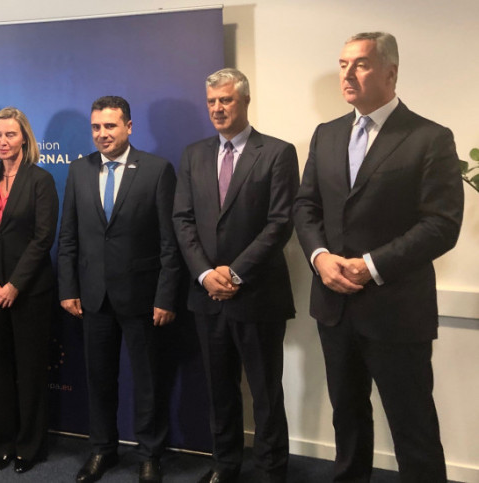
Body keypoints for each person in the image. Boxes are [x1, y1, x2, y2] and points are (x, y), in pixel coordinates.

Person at [293, 32, 462, 483]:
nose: (347, 73)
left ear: (391, 72)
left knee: (413, 428)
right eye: (343, 64)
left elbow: (441, 225)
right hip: (334, 307)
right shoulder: (327, 134)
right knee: (347, 421)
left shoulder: (429, 137)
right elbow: (306, 206)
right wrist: (320, 257)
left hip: (396, 310)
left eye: (361, 64)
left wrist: (370, 266)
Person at [173, 68, 298, 483]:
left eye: (225, 100)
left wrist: (236, 272)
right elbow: (182, 219)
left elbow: (280, 223)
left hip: (258, 295)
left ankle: (271, 470)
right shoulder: (193, 154)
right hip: (207, 295)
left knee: (265, 393)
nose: (217, 108)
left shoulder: (277, 152)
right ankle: (225, 465)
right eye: (211, 101)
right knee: (219, 390)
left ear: (244, 100)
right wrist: (205, 273)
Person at [58, 95, 182, 483]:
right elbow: (68, 236)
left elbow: (170, 242)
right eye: (96, 127)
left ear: (129, 127)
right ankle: (102, 450)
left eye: (110, 126)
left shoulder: (157, 170)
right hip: (93, 297)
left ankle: (149, 454)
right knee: (99, 380)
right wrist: (68, 287)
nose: (102, 134)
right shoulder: (79, 171)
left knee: (147, 382)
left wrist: (165, 296)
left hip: (142, 297)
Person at [0, 107, 58, 474]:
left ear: (24, 138)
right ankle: (2, 443)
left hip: (29, 292)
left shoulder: (40, 180)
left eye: (10, 134)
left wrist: (14, 285)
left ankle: (29, 446)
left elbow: (43, 238)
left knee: (30, 371)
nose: (3, 141)